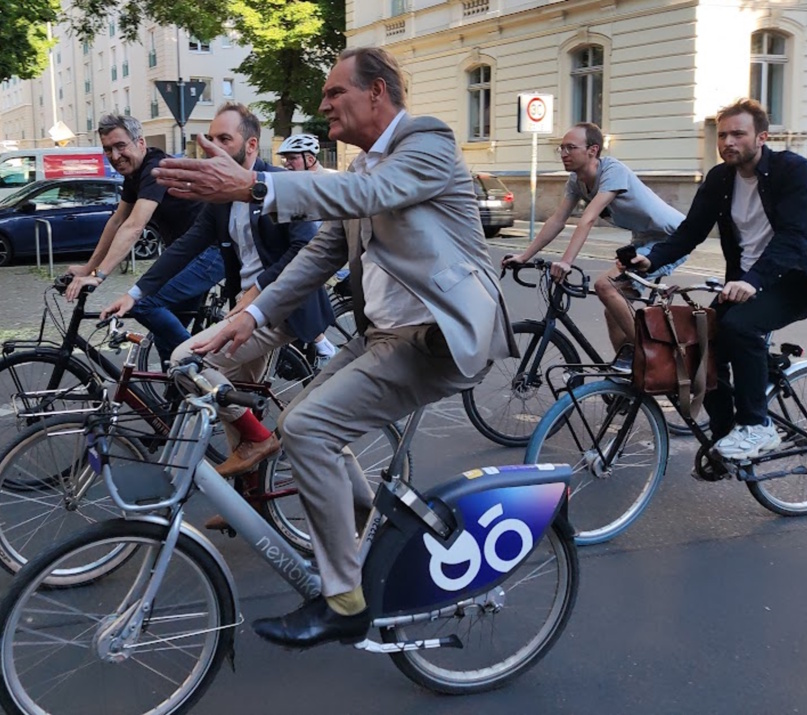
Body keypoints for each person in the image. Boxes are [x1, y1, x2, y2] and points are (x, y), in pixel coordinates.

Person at [152, 46, 517, 648]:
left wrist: (255, 186)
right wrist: (255, 315)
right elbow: (321, 254)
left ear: (377, 93)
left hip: (438, 339)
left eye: (334, 93)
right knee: (298, 423)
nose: (323, 106)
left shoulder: (428, 144)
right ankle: (375, 535)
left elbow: (372, 197)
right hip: (384, 335)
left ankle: (344, 598)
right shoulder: (361, 170)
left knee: (309, 431)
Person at [99, 102, 333, 481]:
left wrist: (254, 292)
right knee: (235, 398)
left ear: (251, 146)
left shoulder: (281, 185)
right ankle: (250, 497)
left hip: (282, 307)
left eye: (226, 139)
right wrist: (136, 294)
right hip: (246, 311)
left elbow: (301, 249)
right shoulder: (220, 200)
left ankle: (259, 440)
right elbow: (184, 247)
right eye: (212, 139)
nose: (215, 147)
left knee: (186, 362)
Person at [626, 98, 807, 462]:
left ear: (761, 137)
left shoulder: (794, 171)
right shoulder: (720, 178)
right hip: (745, 279)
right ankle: (726, 437)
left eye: (738, 134)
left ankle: (756, 425)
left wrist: (754, 281)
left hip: (794, 278)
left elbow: (795, 237)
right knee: (701, 346)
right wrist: (650, 260)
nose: (728, 141)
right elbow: (690, 231)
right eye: (723, 134)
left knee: (741, 328)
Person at [502, 122, 686, 367]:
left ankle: (655, 357)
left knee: (604, 285)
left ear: (593, 150)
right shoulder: (576, 181)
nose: (564, 153)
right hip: (641, 240)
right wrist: (524, 256)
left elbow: (588, 218)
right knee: (614, 307)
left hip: (670, 239)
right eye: (561, 148)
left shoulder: (612, 171)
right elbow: (558, 219)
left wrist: (566, 262)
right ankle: (629, 370)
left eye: (571, 147)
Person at [63, 115, 224, 363]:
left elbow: (134, 226)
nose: (115, 156)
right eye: (108, 149)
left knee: (144, 305)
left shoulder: (155, 169)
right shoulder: (134, 175)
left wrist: (98, 276)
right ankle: (182, 391)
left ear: (140, 143)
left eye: (120, 146)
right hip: (184, 255)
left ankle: (204, 370)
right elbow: (117, 222)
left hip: (211, 252)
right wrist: (88, 269)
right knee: (164, 331)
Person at [276, 133, 339, 366]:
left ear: (310, 158)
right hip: (310, 251)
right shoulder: (296, 182)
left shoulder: (326, 183)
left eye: (292, 158)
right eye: (285, 160)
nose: (287, 164)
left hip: (329, 255)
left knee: (292, 287)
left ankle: (323, 345)